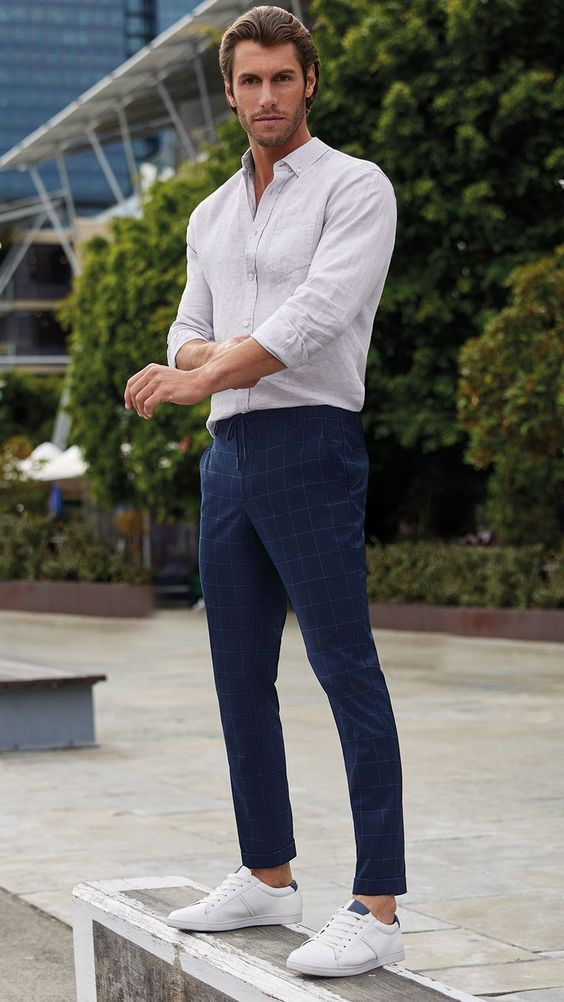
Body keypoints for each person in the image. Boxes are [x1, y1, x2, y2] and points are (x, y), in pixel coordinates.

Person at [124, 3, 407, 979]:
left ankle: (377, 904)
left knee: (344, 667)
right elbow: (182, 328)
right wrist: (208, 366)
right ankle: (267, 872)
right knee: (240, 675)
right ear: (231, 89)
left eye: (282, 78)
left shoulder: (354, 187)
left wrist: (208, 370)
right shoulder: (208, 214)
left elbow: (323, 313)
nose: (266, 97)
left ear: (309, 81)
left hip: (310, 444)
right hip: (228, 458)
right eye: (249, 81)